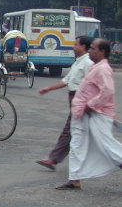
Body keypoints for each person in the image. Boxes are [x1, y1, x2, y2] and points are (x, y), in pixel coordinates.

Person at [56, 38, 122, 190]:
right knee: (76, 144)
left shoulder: (103, 68)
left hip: (95, 113)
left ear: (102, 52)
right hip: (81, 112)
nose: (90, 51)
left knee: (107, 147)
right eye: (90, 48)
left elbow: (108, 91)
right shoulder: (96, 66)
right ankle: (74, 178)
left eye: (93, 48)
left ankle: (75, 178)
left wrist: (90, 105)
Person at [36, 36, 94, 170]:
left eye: (76, 44)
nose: (73, 47)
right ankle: (55, 159)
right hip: (75, 99)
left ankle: (54, 160)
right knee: (74, 131)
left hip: (81, 100)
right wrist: (48, 88)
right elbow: (66, 81)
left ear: (84, 47)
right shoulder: (78, 62)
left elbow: (92, 84)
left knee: (72, 131)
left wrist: (86, 102)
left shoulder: (88, 63)